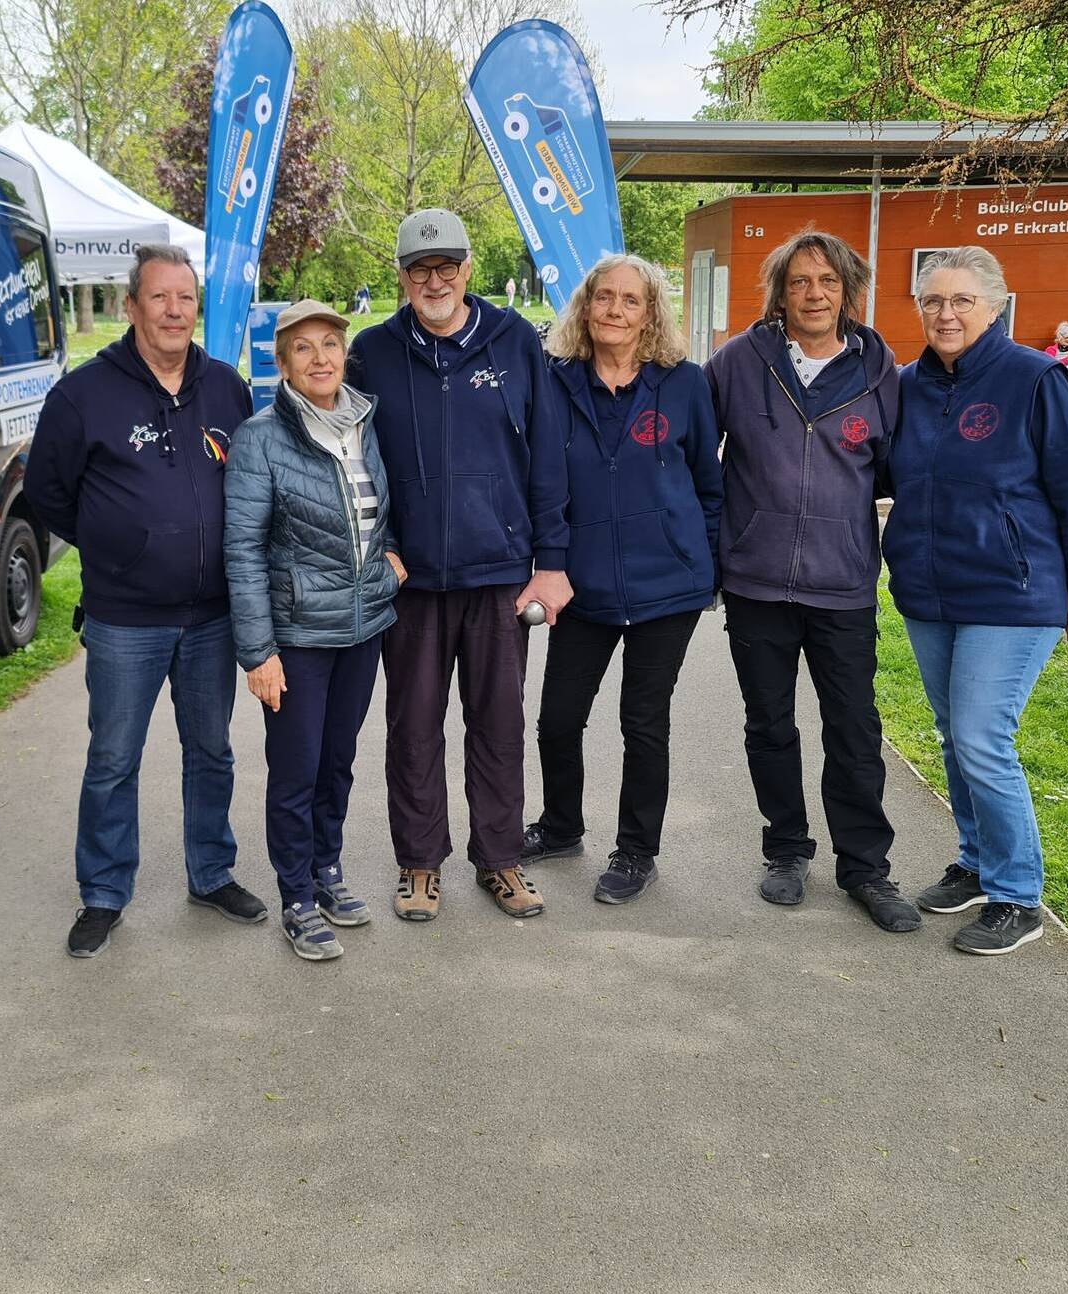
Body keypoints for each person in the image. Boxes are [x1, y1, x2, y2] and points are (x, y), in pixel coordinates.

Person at [24, 244, 266, 959]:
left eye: (184, 298)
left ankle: (212, 872)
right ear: (131, 306)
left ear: (198, 306)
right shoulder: (82, 395)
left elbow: (249, 485)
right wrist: (114, 543)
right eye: (158, 297)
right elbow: (46, 491)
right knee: (113, 759)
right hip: (125, 618)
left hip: (212, 616)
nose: (172, 311)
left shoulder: (228, 388)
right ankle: (102, 893)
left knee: (213, 751)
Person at [345, 207, 571, 921]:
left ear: (469, 267)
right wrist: (376, 544)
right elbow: (351, 459)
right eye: (420, 269)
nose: (434, 279)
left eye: (447, 266)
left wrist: (551, 560)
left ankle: (500, 858)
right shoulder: (370, 352)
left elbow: (548, 457)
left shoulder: (515, 343)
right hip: (409, 580)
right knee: (412, 725)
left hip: (500, 573)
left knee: (499, 722)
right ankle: (419, 862)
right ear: (403, 278)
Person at [885, 245, 1068, 956]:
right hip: (928, 590)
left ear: (994, 306)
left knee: (984, 738)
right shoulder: (907, 384)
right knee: (956, 736)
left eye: (960, 301)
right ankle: (977, 862)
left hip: (1013, 592)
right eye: (932, 301)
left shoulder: (1033, 378)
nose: (945, 314)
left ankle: (1018, 894)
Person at [704, 227, 919, 933]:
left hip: (843, 583)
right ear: (780, 291)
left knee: (854, 728)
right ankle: (787, 850)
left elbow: (894, 471)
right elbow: (697, 456)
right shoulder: (738, 363)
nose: (814, 293)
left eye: (827, 281)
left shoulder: (880, 371)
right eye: (799, 281)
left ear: (849, 290)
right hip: (757, 580)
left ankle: (865, 867)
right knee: (769, 723)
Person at [518, 254, 720, 904]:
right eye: (604, 297)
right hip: (582, 585)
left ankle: (636, 852)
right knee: (557, 720)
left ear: (650, 312)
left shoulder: (685, 384)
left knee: (644, 722)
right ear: (585, 306)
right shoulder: (553, 382)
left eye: (631, 301)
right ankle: (560, 826)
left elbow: (711, 487)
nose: (615, 310)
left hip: (669, 586)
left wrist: (706, 560)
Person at [223, 300, 404, 960]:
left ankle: (327, 869)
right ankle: (296, 894)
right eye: (304, 348)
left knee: (338, 760)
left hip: (361, 627)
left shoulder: (362, 422)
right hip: (297, 637)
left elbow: (375, 504)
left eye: (330, 343)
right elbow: (242, 547)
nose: (321, 356)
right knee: (295, 769)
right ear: (284, 363)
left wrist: (390, 549)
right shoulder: (260, 437)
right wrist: (258, 650)